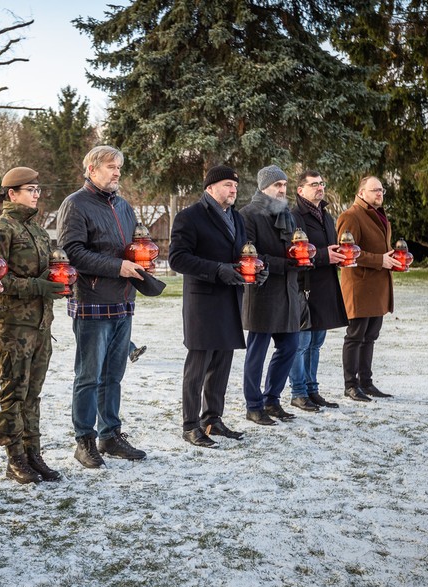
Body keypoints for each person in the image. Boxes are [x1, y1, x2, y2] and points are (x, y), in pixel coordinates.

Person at [56, 145, 147, 468]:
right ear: (91, 170)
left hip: (124, 301)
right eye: (110, 166)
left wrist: (140, 257)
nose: (117, 172)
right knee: (88, 376)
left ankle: (110, 434)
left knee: (113, 376)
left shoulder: (123, 206)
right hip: (92, 302)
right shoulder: (75, 204)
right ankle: (85, 440)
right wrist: (117, 267)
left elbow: (131, 246)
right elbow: (73, 252)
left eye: (119, 167)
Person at [169, 165, 262, 447]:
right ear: (210, 188)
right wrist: (217, 269)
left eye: (235, 186)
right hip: (203, 301)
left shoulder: (236, 217)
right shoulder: (190, 217)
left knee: (222, 364)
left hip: (231, 298)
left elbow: (243, 254)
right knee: (197, 367)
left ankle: (212, 419)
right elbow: (177, 259)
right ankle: (190, 425)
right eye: (226, 185)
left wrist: (257, 270)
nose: (233, 190)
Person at [0, 167, 66, 485]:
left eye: (38, 189)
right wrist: (38, 286)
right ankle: (14, 457)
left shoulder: (39, 231)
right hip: (13, 328)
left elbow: (49, 271)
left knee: (33, 395)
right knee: (13, 395)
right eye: (29, 189)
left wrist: (59, 279)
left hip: (41, 326)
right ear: (11, 194)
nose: (36, 194)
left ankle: (33, 454)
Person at [239, 165, 302, 426]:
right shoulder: (248, 214)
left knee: (289, 346)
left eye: (284, 185)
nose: (282, 190)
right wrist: (284, 264)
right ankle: (253, 406)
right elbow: (249, 256)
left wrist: (302, 257)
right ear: (264, 186)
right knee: (257, 350)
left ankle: (272, 399)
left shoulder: (287, 214)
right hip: (262, 292)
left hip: (288, 291)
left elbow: (297, 245)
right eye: (277, 185)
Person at [288, 170, 349, 411]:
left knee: (316, 343)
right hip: (304, 287)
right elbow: (295, 251)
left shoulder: (327, 216)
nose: (320, 188)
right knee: (301, 343)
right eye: (314, 184)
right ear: (300, 190)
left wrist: (342, 256)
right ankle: (298, 392)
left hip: (324, 286)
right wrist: (325, 255)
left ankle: (313, 390)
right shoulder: (294, 217)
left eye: (322, 183)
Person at [336, 175, 399, 401]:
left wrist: (394, 259)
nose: (379, 194)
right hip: (359, 286)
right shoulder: (351, 216)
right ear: (361, 193)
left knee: (370, 336)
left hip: (377, 287)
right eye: (374, 190)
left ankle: (366, 382)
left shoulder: (379, 215)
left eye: (381, 190)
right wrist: (380, 260)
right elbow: (347, 251)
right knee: (355, 336)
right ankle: (350, 385)